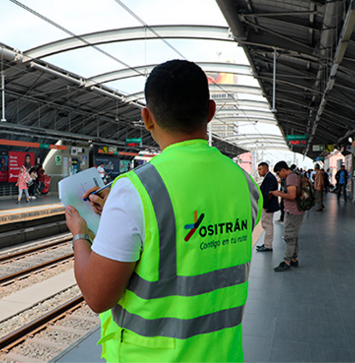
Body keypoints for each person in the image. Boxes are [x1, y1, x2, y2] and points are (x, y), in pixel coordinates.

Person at [63, 60, 261, 362]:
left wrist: (80, 235)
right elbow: (189, 237)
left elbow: (97, 296)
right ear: (210, 111)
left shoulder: (135, 191)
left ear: (147, 117)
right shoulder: (244, 184)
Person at [269, 161, 305, 272]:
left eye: (279, 173)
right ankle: (294, 259)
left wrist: (278, 193)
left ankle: (286, 261)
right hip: (295, 210)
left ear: (283, 170)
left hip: (293, 211)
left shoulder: (291, 177)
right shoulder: (294, 176)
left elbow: (292, 195)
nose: (279, 176)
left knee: (289, 236)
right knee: (294, 236)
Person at [256, 162, 280, 252]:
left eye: (260, 169)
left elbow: (268, 194)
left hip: (268, 206)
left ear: (266, 169)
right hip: (268, 205)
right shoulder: (268, 177)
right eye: (258, 169)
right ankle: (266, 243)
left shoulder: (269, 178)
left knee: (267, 225)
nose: (259, 171)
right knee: (266, 224)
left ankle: (268, 246)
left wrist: (265, 205)